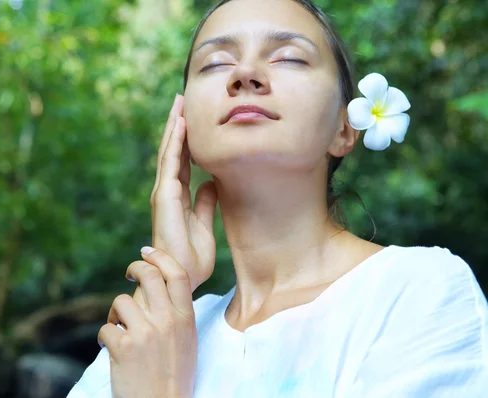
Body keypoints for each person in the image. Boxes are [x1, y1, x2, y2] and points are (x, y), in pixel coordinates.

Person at [67, 0, 488, 396]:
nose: (245, 74)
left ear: (345, 127)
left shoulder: (418, 290)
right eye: (215, 63)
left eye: (288, 57)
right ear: (184, 125)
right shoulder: (155, 327)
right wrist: (168, 274)